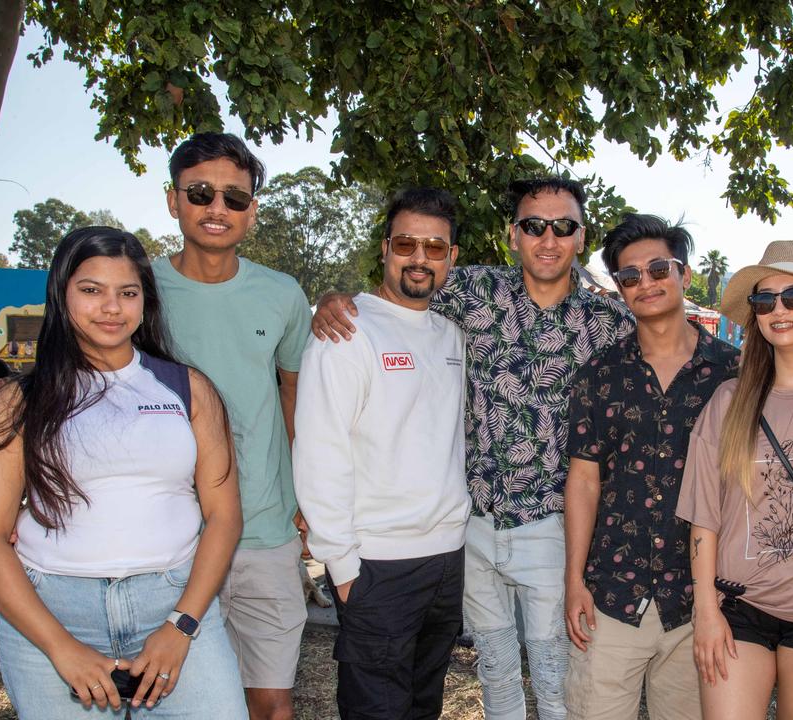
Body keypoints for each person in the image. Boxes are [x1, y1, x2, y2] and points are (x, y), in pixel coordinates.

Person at [312, 177, 635, 719]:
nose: (548, 238)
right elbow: (405, 284)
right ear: (513, 235)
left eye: (563, 227)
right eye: (534, 226)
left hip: (554, 529)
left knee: (556, 677)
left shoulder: (608, 323)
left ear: (581, 238)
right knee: (496, 672)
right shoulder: (475, 292)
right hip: (475, 530)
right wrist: (333, 300)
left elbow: (666, 346)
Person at [0, 226, 247, 718]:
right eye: (91, 290)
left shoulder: (188, 389)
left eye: (127, 293)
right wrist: (61, 648)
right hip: (51, 614)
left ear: (145, 301)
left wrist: (181, 625)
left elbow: (224, 516)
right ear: (61, 293)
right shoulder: (18, 402)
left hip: (176, 606)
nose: (111, 308)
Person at [153, 132, 312, 720]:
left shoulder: (283, 295)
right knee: (184, 699)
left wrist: (305, 493)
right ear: (173, 201)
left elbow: (294, 393)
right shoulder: (135, 290)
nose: (217, 209)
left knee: (271, 701)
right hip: (170, 536)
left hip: (265, 528)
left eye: (235, 198)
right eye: (201, 193)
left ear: (251, 211)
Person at [294, 188, 470, 719]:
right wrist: (342, 566)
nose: (419, 258)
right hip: (376, 565)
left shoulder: (453, 335)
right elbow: (320, 449)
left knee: (423, 707)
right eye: (406, 243)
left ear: (452, 257)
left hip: (447, 559)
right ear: (386, 248)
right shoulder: (346, 332)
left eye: (435, 247)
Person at [678, 240, 793, 720]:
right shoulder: (729, 400)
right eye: (764, 301)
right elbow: (704, 517)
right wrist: (706, 611)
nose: (777, 310)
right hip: (739, 606)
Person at [564, 215, 738, 719]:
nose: (646, 282)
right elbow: (583, 479)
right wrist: (574, 579)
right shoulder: (599, 373)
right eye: (630, 276)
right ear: (619, 289)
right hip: (612, 596)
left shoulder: (734, 373)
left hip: (702, 603)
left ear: (684, 274)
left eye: (658, 268)